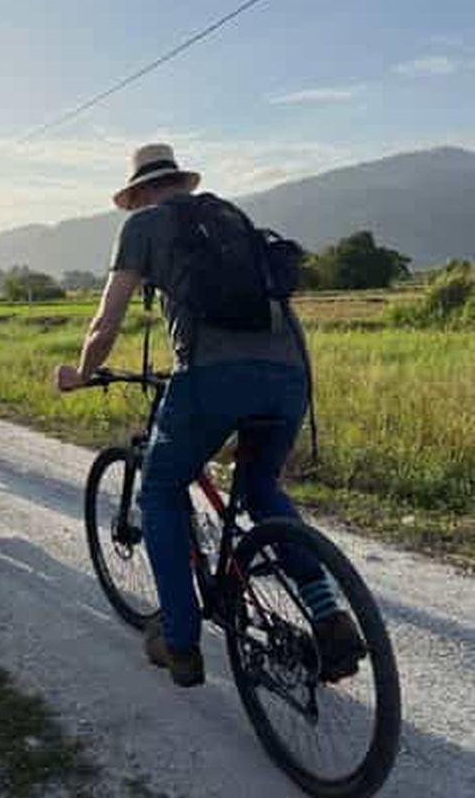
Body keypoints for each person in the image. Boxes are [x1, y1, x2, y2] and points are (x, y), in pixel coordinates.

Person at [56, 143, 363, 688]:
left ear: (139, 193)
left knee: (161, 488)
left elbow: (105, 324)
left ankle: (179, 643)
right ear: (181, 182)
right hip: (290, 374)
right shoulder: (229, 217)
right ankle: (327, 611)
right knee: (260, 484)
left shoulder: (143, 226)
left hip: (212, 379)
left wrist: (79, 374)